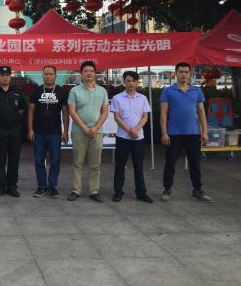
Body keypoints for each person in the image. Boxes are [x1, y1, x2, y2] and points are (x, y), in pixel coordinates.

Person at [160, 62, 212, 203]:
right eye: (181, 72)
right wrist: (164, 132)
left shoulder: (196, 91)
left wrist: (204, 131)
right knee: (170, 163)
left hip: (193, 133)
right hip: (173, 133)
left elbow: (201, 112)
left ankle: (197, 190)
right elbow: (163, 114)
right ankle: (167, 189)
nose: (184, 74)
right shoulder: (168, 91)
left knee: (195, 163)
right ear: (175, 74)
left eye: (186, 72)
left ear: (190, 74)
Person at [67, 60, 109, 203]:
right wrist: (84, 128)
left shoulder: (102, 91)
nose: (89, 73)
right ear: (81, 74)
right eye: (86, 71)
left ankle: (94, 191)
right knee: (77, 162)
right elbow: (72, 111)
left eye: (91, 71)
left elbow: (105, 112)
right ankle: (76, 190)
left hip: (97, 132)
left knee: (95, 164)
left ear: (95, 73)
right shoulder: (74, 91)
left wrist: (96, 128)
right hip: (79, 131)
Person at [110, 71, 153, 203]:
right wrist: (129, 130)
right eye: (128, 81)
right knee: (120, 166)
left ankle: (141, 192)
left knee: (138, 166)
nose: (131, 83)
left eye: (134, 81)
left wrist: (136, 129)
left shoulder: (143, 98)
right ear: (124, 82)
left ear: (137, 82)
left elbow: (145, 116)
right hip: (123, 137)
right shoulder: (117, 98)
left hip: (138, 138)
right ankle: (118, 191)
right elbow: (117, 117)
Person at [28, 65, 69, 199]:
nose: (48, 76)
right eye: (46, 74)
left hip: (55, 133)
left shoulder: (62, 92)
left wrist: (65, 131)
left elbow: (65, 112)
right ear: (42, 75)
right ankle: (41, 186)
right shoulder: (36, 91)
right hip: (38, 132)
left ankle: (52, 187)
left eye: (51, 74)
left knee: (55, 161)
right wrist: (30, 129)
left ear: (55, 76)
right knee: (39, 160)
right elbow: (31, 111)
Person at [0, 66, 27, 198]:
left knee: (14, 160)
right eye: (2, 75)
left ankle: (12, 186)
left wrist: (16, 116)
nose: (5, 77)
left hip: (14, 131)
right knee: (0, 160)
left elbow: (23, 108)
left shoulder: (17, 92)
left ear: (10, 76)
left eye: (7, 75)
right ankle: (0, 186)